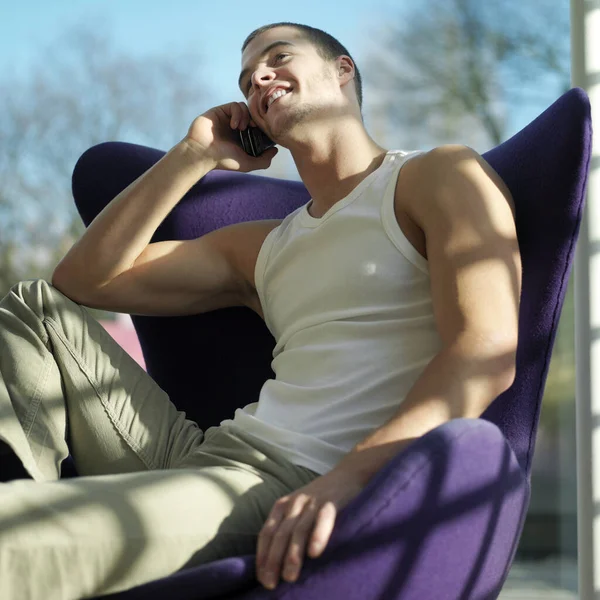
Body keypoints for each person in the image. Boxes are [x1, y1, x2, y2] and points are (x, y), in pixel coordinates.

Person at [0, 22, 521, 599]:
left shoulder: (437, 174)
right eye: (247, 80)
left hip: (285, 484)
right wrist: (194, 155)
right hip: (198, 456)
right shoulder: (263, 246)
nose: (258, 80)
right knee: (35, 308)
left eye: (277, 58)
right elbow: (80, 281)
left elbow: (485, 351)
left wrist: (348, 480)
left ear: (343, 69)